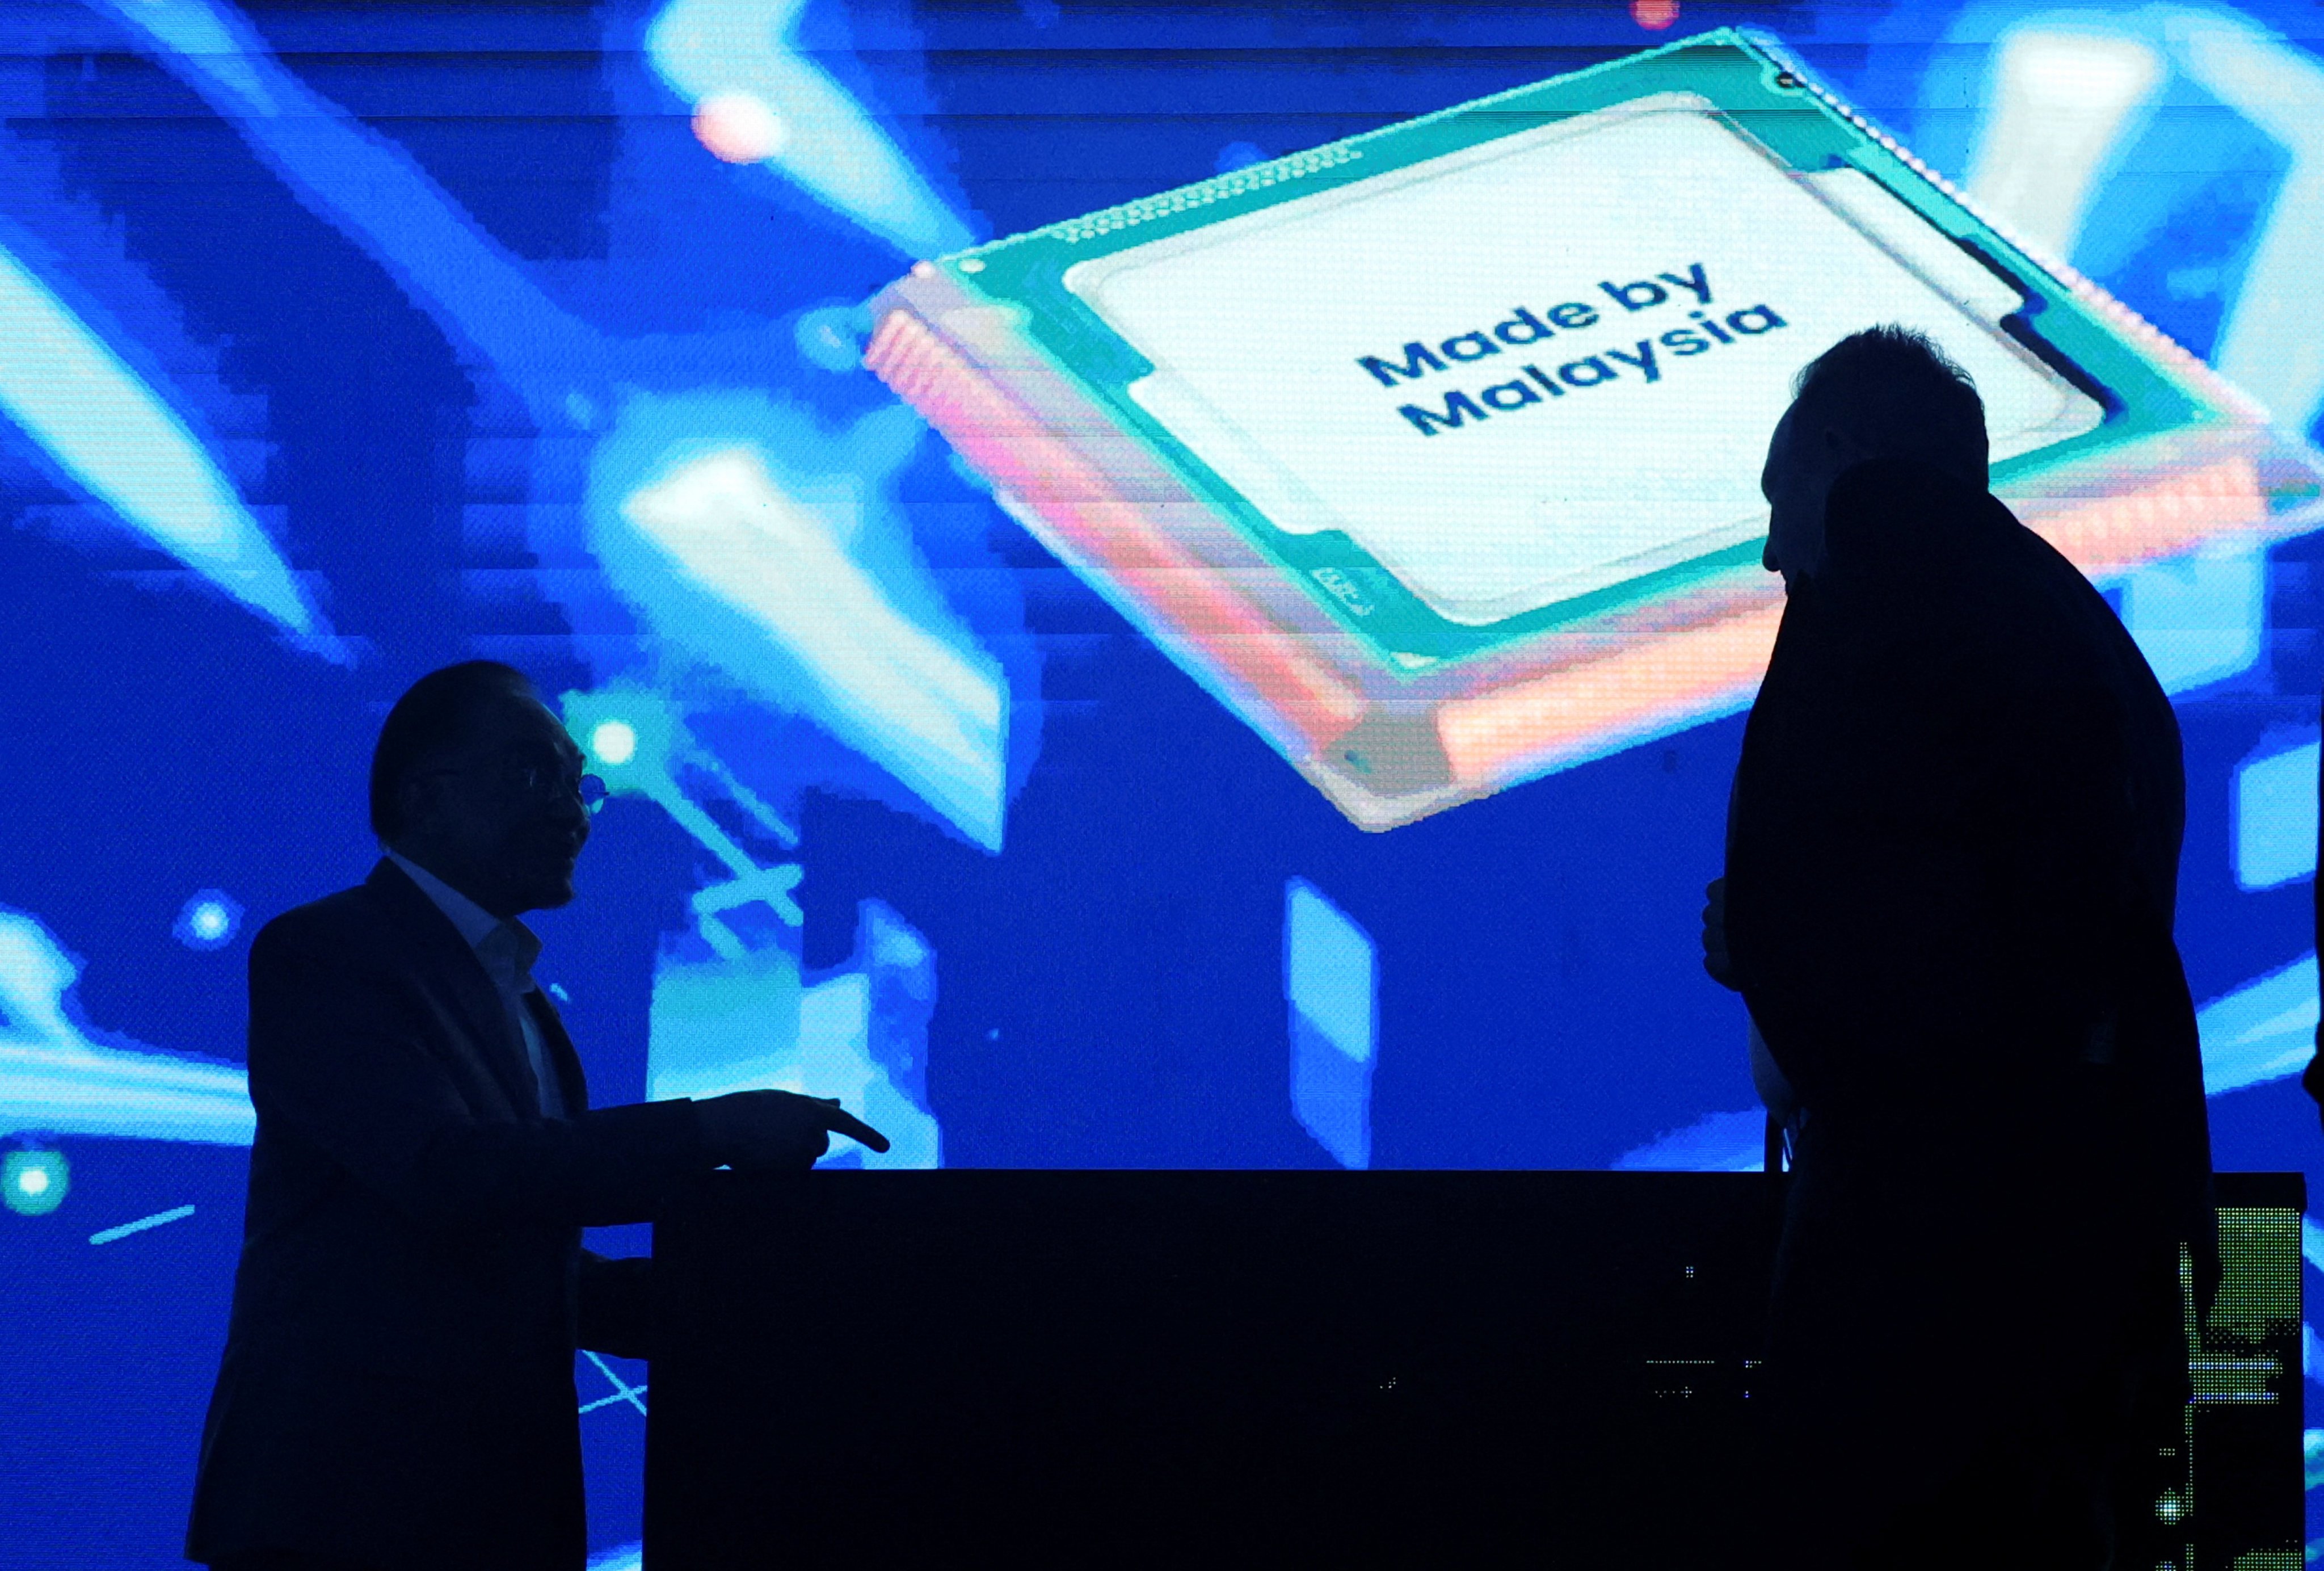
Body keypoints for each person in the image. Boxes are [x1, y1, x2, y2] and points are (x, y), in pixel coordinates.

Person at [187, 661, 889, 1571]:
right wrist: (709, 1133)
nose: (573, 810)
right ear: (425, 798)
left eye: (578, 782)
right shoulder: (325, 954)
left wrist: (762, 1305)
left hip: (490, 1514)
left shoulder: (521, 1000)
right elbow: (447, 1175)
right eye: (532, 775)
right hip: (345, 1512)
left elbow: (521, 1260)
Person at [1702, 327, 2213, 1567]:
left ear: (1838, 458)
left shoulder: (1892, 552)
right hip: (2083, 1248)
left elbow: (1910, 922)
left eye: (1778, 497)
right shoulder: (2079, 637)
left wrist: (1769, 931)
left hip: (1931, 1258)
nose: (1775, 548)